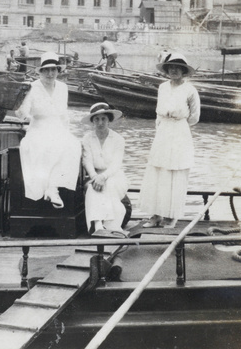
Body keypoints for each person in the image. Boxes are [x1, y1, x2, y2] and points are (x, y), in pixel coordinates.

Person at [139, 53, 200, 229]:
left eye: (177, 67)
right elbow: (158, 113)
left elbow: (194, 117)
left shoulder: (190, 90)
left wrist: (178, 126)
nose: (173, 70)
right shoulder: (163, 87)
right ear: (167, 69)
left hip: (180, 132)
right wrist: (162, 128)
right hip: (163, 131)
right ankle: (155, 215)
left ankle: (170, 217)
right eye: (170, 67)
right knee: (158, 173)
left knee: (175, 173)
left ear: (183, 70)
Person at [16, 52, 81, 208]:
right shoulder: (32, 87)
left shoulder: (63, 88)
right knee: (42, 147)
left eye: (54, 70)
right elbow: (22, 114)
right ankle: (49, 190)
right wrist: (21, 103)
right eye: (46, 70)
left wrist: (67, 132)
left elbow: (64, 115)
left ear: (58, 71)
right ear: (41, 72)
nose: (50, 73)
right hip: (38, 128)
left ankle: (52, 188)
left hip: (58, 128)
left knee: (73, 145)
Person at [81, 102, 129, 236]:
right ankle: (97, 226)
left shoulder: (118, 139)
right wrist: (94, 176)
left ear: (109, 120)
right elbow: (87, 160)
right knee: (92, 188)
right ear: (92, 122)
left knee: (109, 185)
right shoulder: (87, 138)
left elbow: (116, 164)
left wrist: (103, 177)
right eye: (97, 119)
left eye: (103, 119)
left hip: (115, 176)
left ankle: (112, 226)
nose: (100, 122)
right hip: (95, 175)